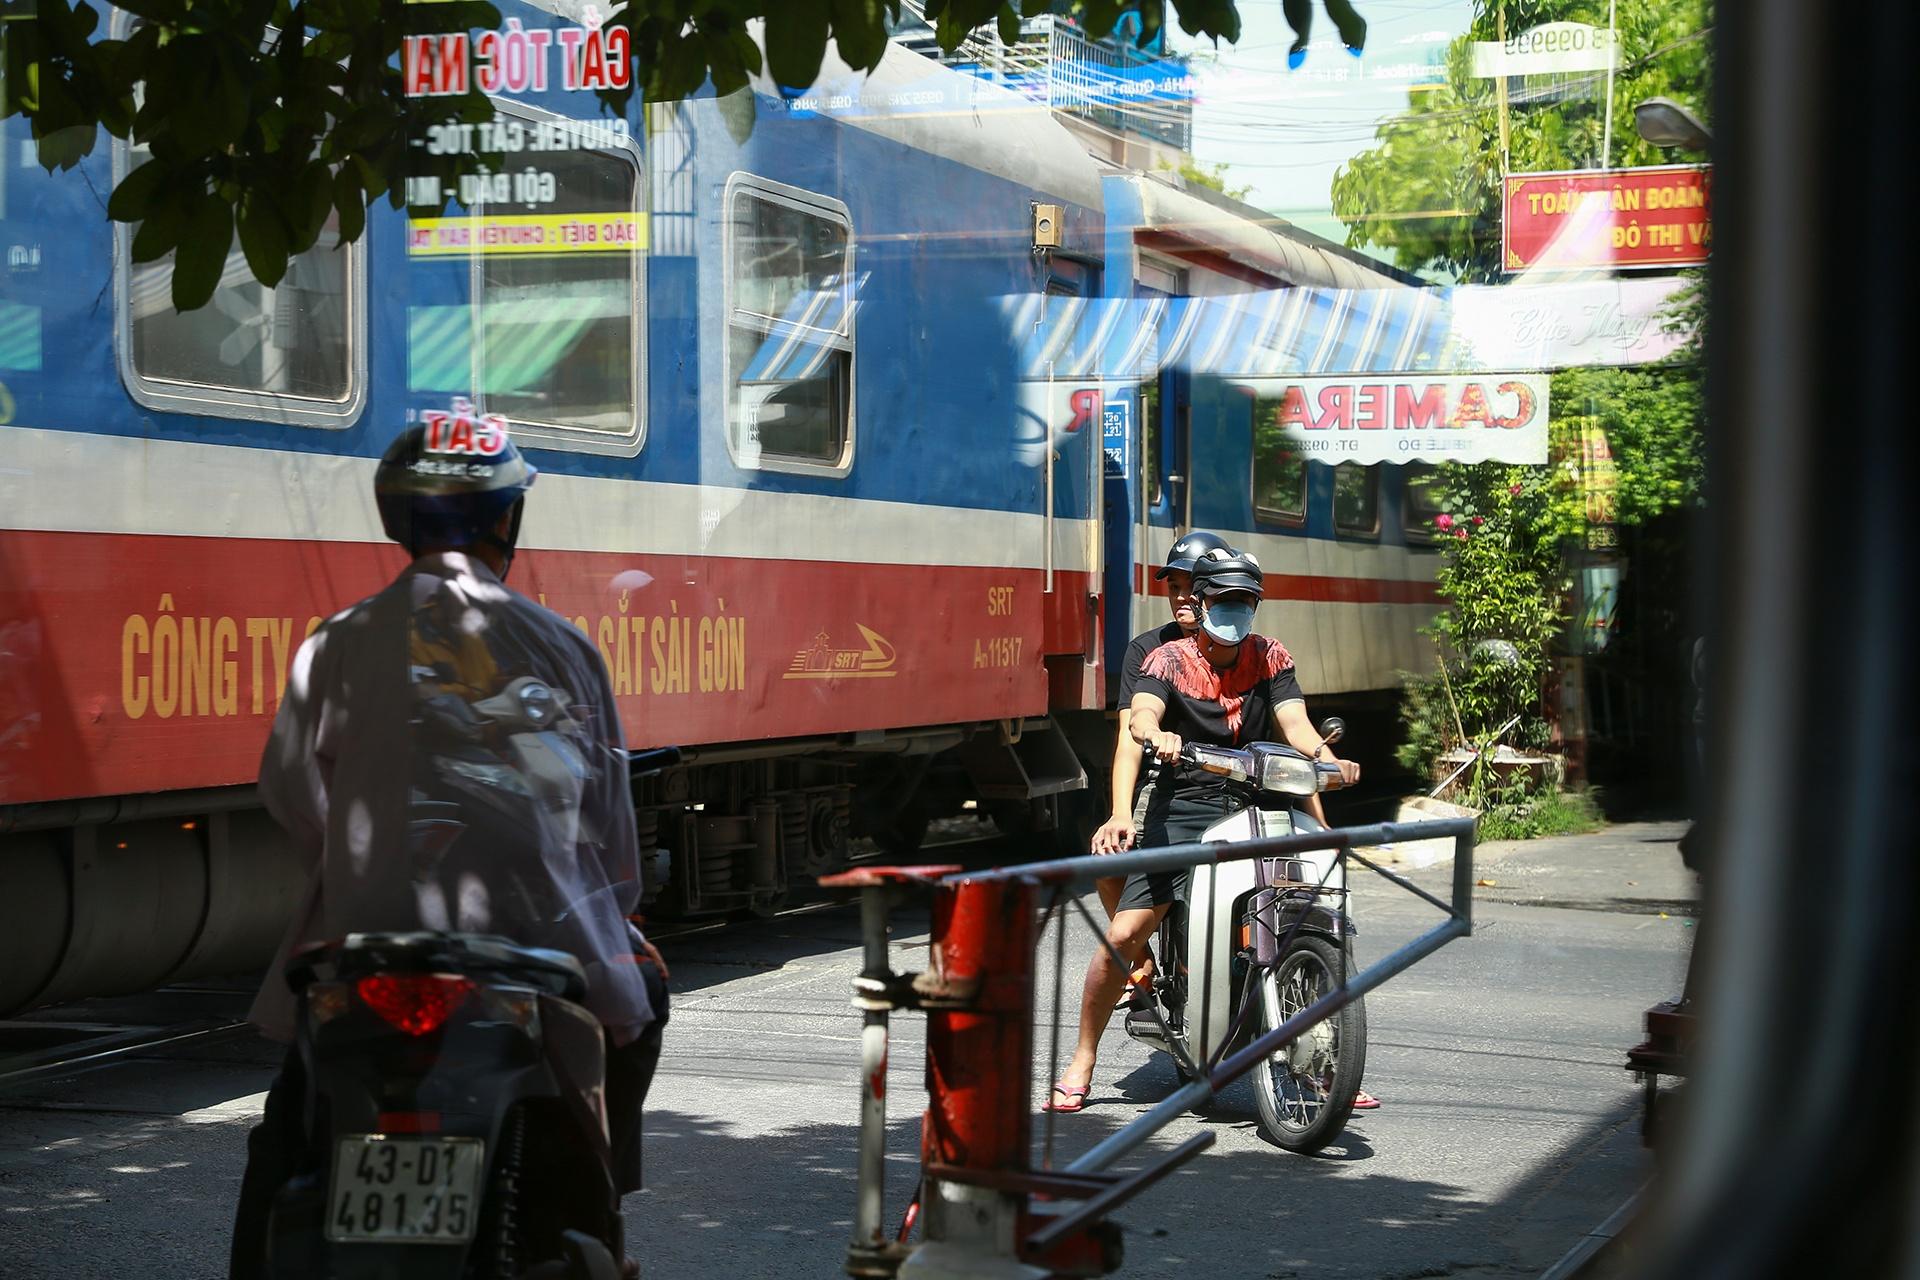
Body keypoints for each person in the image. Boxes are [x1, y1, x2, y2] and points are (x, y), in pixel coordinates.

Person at [229, 421, 667, 1278]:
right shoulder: (563, 645)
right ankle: (600, 1187)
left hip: (367, 949)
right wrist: (615, 909)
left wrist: (356, 862)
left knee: (292, 1124)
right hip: (543, 955)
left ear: (398, 522)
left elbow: (287, 790)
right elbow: (609, 834)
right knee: (643, 994)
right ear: (507, 518)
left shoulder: (336, 641)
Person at [1045, 546, 1372, 1114]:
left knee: (1304, 906)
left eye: (1246, 601)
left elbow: (1295, 723)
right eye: (1224, 600)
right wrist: (1157, 734)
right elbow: (1142, 715)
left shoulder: (1271, 655)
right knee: (1125, 935)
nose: (1235, 610)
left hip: (1260, 794)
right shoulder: (1165, 658)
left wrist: (1327, 758)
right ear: (1201, 602)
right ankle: (1083, 1059)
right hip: (1185, 806)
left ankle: (1329, 1060)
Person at [1089, 530, 1226, 1000]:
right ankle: (1141, 956)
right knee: (1108, 858)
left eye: (1193, 586)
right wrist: (1120, 813)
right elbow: (1130, 738)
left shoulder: (1253, 648)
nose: (1183, 597)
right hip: (1166, 784)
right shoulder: (1147, 650)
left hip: (1230, 786)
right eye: (1174, 588)